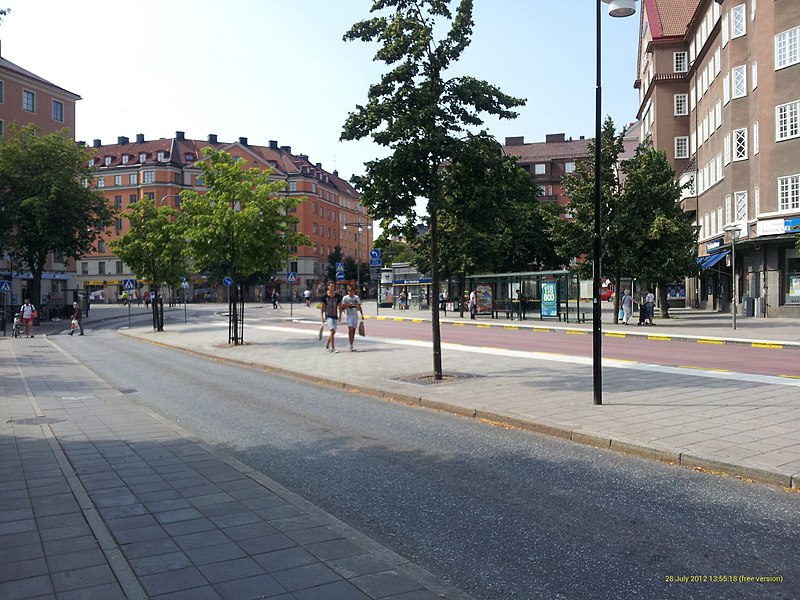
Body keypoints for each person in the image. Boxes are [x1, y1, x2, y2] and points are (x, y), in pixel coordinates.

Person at [340, 285, 364, 352]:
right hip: (348, 316)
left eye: (352, 291)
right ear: (348, 292)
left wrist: (362, 314)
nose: (351, 293)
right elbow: (342, 308)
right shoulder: (345, 298)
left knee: (353, 331)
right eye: (350, 291)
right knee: (350, 329)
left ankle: (351, 344)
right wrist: (347, 305)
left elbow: (359, 307)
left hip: (355, 316)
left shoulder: (357, 298)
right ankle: (350, 345)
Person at [320, 282, 343, 353]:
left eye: (333, 286)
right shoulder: (325, 296)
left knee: (333, 332)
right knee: (332, 330)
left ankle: (327, 344)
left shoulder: (337, 296)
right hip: (328, 315)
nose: (332, 287)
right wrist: (322, 317)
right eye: (331, 286)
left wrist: (340, 315)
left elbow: (339, 306)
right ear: (328, 287)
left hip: (335, 315)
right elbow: (322, 307)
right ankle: (333, 348)